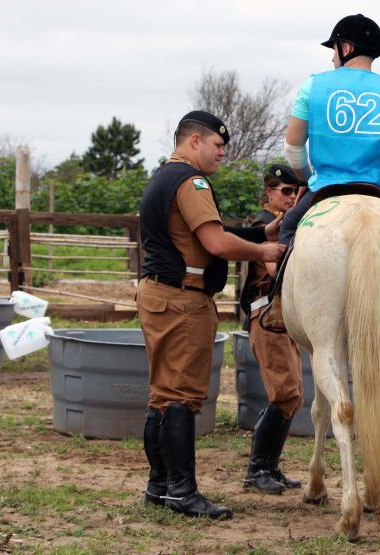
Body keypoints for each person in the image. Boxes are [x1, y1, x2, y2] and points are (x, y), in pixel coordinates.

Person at [137, 110, 285, 520]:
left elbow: (194, 236)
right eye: (218, 146)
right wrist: (263, 251)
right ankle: (183, 492)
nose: (222, 154)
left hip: (159, 295)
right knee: (181, 396)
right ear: (195, 141)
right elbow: (215, 243)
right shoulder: (191, 181)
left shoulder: (163, 176)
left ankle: (160, 486)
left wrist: (260, 232)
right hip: (183, 300)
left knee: (162, 394)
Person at [264, 13, 380, 331]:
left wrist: (309, 178)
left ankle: (279, 303)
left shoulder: (314, 85)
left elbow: (293, 149)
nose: (333, 57)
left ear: (347, 47)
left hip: (329, 187)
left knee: (291, 225)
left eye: (334, 49)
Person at [239, 164, 305, 495]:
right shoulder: (263, 226)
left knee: (292, 395)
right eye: (285, 191)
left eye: (296, 192)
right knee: (284, 392)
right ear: (269, 192)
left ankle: (270, 465)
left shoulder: (287, 226)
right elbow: (272, 266)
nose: (292, 197)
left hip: (283, 316)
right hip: (266, 313)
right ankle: (256, 470)